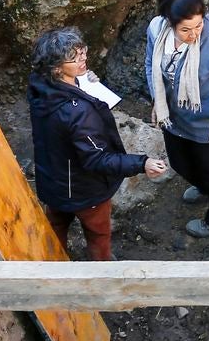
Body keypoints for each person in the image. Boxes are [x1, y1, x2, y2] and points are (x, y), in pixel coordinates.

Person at [28, 27, 167, 260]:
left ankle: (54, 264)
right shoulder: (78, 113)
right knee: (98, 233)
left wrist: (83, 83)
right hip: (85, 192)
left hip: (52, 181)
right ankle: (100, 267)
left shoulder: (40, 89)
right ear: (56, 68)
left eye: (81, 51)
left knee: (55, 226)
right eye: (74, 57)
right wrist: (142, 163)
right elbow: (98, 159)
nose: (83, 58)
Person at [144, 0, 209, 237]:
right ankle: (203, 186)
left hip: (206, 123)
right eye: (186, 30)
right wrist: (157, 99)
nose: (194, 34)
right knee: (179, 162)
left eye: (198, 26)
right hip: (173, 118)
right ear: (170, 23)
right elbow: (149, 64)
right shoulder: (157, 31)